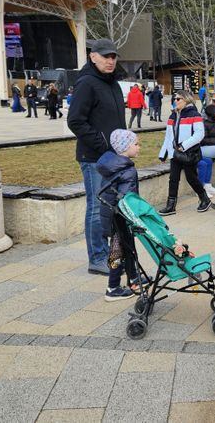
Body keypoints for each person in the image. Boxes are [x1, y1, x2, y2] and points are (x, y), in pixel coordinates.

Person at [67, 38, 128, 275]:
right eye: (105, 56)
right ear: (93, 56)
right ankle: (97, 258)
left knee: (110, 209)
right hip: (94, 158)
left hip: (113, 158)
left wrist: (123, 145)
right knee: (96, 208)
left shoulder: (112, 83)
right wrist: (104, 146)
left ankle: (111, 254)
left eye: (113, 56)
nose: (110, 60)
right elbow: (75, 121)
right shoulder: (87, 83)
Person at [97, 129, 148, 300]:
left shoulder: (112, 164)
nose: (139, 147)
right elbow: (128, 200)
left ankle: (133, 278)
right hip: (119, 217)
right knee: (118, 251)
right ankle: (112, 288)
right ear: (125, 147)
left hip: (112, 215)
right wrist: (137, 218)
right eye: (136, 144)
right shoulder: (127, 170)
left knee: (128, 247)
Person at [157, 90, 210, 216]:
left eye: (178, 99)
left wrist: (184, 146)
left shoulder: (194, 114)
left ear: (186, 100)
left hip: (189, 153)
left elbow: (199, 134)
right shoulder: (172, 116)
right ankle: (170, 206)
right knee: (173, 179)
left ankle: (204, 199)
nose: (175, 101)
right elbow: (168, 137)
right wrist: (163, 153)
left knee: (191, 178)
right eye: (174, 99)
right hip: (175, 153)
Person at [198, 103, 215, 198]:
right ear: (213, 113)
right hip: (204, 148)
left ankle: (207, 185)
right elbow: (203, 140)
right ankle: (200, 189)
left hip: (212, 149)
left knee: (208, 161)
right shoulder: (204, 124)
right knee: (204, 163)